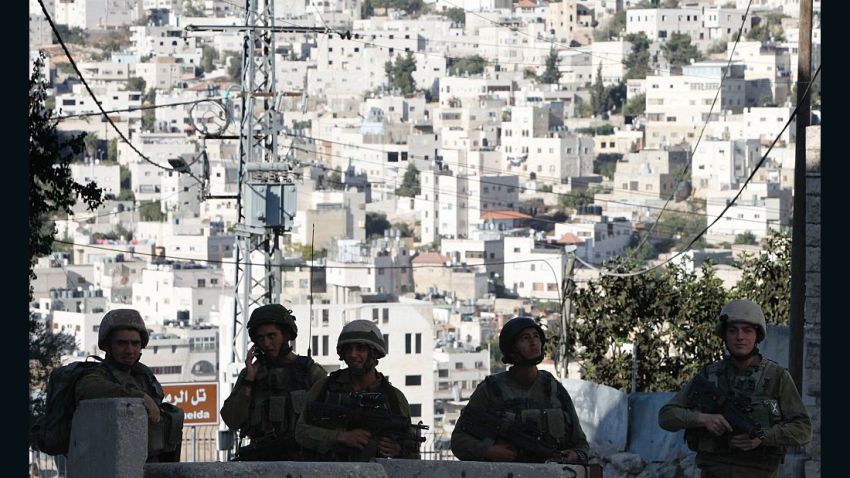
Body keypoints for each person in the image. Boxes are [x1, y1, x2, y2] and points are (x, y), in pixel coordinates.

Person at [658, 300, 812, 478]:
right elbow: (666, 416)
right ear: (725, 335)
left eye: (747, 330)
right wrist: (702, 419)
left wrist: (763, 437)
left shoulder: (776, 377)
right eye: (733, 330)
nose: (740, 337)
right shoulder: (709, 375)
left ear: (757, 335)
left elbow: (803, 429)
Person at [451, 316, 589, 463]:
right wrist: (488, 451)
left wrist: (574, 455)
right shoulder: (491, 389)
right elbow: (458, 441)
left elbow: (580, 444)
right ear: (512, 349)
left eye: (536, 336)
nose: (533, 342)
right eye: (525, 338)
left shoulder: (554, 389)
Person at [295, 320, 421, 461]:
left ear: (374, 353)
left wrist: (398, 450)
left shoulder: (394, 398)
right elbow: (301, 432)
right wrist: (340, 437)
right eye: (348, 349)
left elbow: (413, 454)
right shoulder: (324, 388)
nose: (353, 355)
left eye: (360, 348)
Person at [74, 309, 184, 462]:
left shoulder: (142, 375)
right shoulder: (97, 374)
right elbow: (89, 388)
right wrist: (140, 398)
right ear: (107, 346)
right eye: (122, 343)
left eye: (135, 343)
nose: (130, 350)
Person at [221, 304, 326, 461]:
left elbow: (331, 418)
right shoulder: (251, 374)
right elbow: (232, 420)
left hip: (303, 459)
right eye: (261, 338)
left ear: (286, 335)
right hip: (262, 458)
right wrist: (249, 380)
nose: (267, 344)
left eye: (272, 336)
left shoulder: (309, 371)